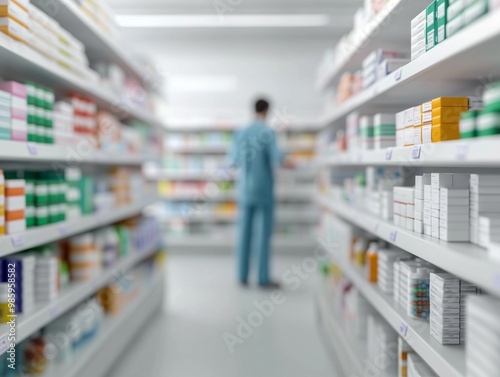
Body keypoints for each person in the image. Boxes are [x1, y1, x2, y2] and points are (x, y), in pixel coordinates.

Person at [229, 98, 291, 288]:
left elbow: (233, 161)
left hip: (245, 190)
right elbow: (278, 159)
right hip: (263, 190)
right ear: (267, 111)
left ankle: (243, 276)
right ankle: (263, 278)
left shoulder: (241, 132)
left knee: (244, 234)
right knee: (263, 235)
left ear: (253, 110)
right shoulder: (268, 133)